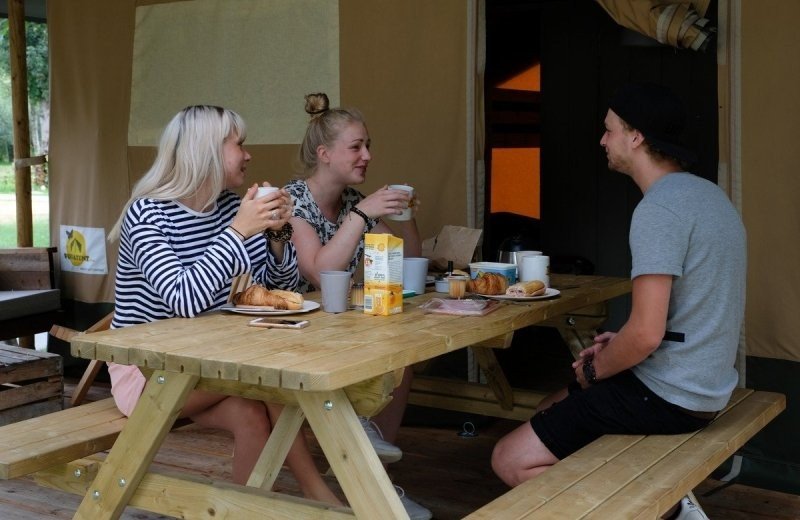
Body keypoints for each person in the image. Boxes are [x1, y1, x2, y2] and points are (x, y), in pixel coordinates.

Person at [490, 83, 746, 520]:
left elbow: (646, 334)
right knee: (550, 406)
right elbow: (677, 318)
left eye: (609, 130)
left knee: (511, 459)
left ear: (636, 137)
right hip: (706, 382)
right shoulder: (708, 196)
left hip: (672, 395)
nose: (602, 140)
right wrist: (619, 345)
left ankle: (660, 510)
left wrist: (594, 368)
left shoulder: (659, 210)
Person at [106, 105, 341, 505]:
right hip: (147, 370)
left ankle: (242, 511)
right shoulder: (147, 214)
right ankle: (317, 491)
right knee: (270, 382)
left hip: (211, 360)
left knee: (253, 413)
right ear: (206, 151)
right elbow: (185, 300)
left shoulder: (232, 209)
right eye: (239, 145)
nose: (248, 155)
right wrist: (239, 230)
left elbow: (272, 291)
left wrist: (278, 236)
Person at [285, 93, 430, 520]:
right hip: (292, 333)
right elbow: (318, 272)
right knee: (386, 350)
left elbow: (406, 260)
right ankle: (366, 476)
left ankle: (375, 482)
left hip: (338, 325)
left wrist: (404, 215)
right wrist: (362, 216)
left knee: (404, 351)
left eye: (368, 145)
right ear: (325, 154)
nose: (367, 155)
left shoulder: (352, 200)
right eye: (356, 147)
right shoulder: (292, 202)